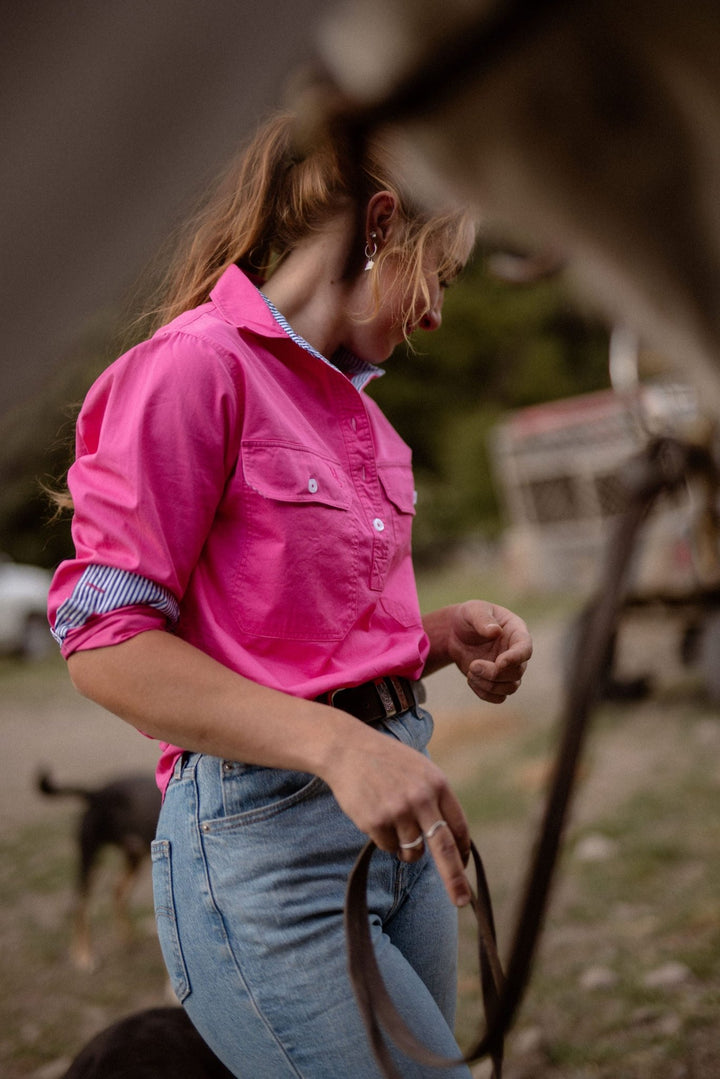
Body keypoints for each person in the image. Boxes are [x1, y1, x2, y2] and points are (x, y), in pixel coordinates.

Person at [47, 110, 532, 1078]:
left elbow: (295, 644)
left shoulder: (361, 416)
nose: (438, 313)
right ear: (383, 226)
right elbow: (104, 639)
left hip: (398, 817)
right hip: (269, 847)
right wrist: (340, 742)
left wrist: (432, 636)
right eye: (446, 273)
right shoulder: (190, 369)